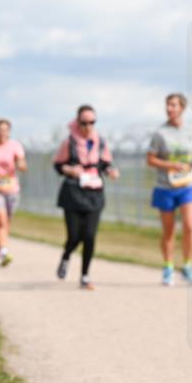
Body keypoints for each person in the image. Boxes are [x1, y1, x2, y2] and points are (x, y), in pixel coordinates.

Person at [53, 105, 119, 290]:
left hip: (94, 194)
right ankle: (66, 257)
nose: (88, 126)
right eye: (84, 123)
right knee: (74, 236)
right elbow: (58, 166)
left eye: (92, 122)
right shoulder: (69, 143)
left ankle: (85, 276)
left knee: (89, 236)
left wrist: (111, 171)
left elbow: (105, 165)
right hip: (73, 194)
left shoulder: (101, 142)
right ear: (77, 122)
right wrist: (70, 169)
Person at [146, 93, 192, 286]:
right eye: (167, 105)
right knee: (169, 231)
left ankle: (188, 266)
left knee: (189, 225)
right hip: (166, 186)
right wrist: (169, 165)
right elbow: (150, 159)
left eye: (173, 105)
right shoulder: (160, 133)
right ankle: (168, 267)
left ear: (182, 108)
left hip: (189, 184)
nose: (169, 108)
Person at [0, 119, 27, 266]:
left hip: (12, 188)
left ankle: (0, 247)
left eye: (5, 129)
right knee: (1, 219)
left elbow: (22, 163)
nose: (2, 132)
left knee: (5, 222)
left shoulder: (15, 146)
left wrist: (20, 164)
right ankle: (3, 250)